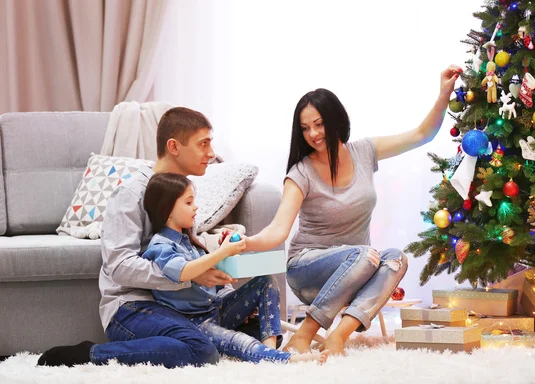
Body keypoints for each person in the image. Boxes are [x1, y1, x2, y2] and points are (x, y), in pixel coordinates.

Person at [245, 65, 462, 355]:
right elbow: (278, 229)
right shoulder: (301, 173)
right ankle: (305, 335)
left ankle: (338, 337)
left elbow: (422, 134)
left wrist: (444, 94)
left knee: (396, 259)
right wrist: (247, 243)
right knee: (364, 253)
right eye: (305, 128)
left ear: (336, 120)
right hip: (307, 271)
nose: (313, 133)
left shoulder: (363, 152)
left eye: (319, 124)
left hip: (359, 267)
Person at [38, 107, 267, 368]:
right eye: (203, 143)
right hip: (133, 307)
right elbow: (119, 266)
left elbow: (185, 253)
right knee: (202, 351)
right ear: (174, 146)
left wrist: (219, 283)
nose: (211, 153)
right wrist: (188, 275)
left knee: (254, 328)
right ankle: (90, 354)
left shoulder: (181, 192)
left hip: (179, 306)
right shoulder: (131, 194)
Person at [141, 172, 328, 364]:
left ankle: (270, 351)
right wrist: (221, 252)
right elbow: (183, 271)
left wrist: (228, 262)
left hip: (218, 307)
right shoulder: (161, 245)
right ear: (168, 210)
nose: (196, 207)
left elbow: (211, 276)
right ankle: (284, 359)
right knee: (239, 342)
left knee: (266, 282)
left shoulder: (190, 241)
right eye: (189, 203)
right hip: (194, 322)